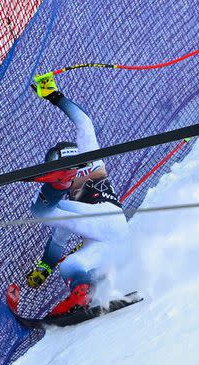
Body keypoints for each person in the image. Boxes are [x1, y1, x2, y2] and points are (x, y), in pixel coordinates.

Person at [27, 72, 128, 316]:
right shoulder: (70, 207)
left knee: (40, 210)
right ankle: (86, 294)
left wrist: (54, 96)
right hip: (114, 242)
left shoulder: (90, 164)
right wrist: (46, 267)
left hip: (106, 216)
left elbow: (84, 123)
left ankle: (89, 288)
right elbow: (59, 242)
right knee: (72, 264)